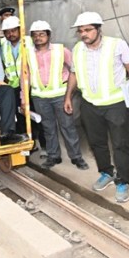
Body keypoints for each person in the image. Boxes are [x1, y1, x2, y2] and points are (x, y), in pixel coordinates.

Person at [63, 12, 129, 204]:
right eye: (80, 31)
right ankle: (106, 172)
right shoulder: (78, 49)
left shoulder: (117, 45)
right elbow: (74, 74)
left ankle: (122, 182)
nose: (83, 34)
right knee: (97, 142)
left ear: (98, 29)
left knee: (120, 144)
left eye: (87, 30)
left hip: (115, 104)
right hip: (90, 104)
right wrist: (68, 97)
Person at [28, 20, 87, 170]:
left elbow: (75, 69)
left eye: (42, 34)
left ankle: (76, 157)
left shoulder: (61, 51)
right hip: (39, 96)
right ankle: (53, 156)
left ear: (49, 35)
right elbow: (25, 76)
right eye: (35, 35)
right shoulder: (27, 54)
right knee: (48, 127)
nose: (38, 38)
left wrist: (73, 91)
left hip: (61, 95)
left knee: (68, 126)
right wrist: (24, 99)